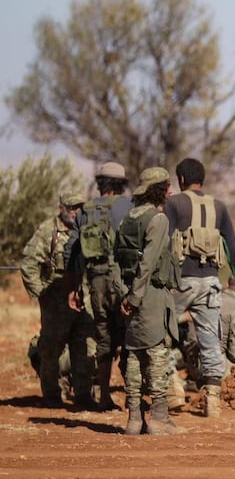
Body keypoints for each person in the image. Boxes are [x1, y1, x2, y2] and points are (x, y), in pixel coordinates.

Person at [165, 157, 235, 418]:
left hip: (180, 281)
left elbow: (165, 244)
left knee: (160, 332)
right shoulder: (220, 207)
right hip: (211, 282)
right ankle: (213, 401)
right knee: (210, 339)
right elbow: (233, 249)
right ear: (202, 179)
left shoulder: (173, 203)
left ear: (180, 180)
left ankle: (172, 389)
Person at [115, 167, 181, 435]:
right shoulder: (158, 220)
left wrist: (125, 295)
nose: (171, 191)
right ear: (158, 190)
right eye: (167, 187)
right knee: (156, 353)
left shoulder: (128, 219)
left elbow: (118, 261)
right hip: (150, 295)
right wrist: (136, 296)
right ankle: (159, 419)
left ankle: (134, 419)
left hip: (129, 294)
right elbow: (149, 261)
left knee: (132, 354)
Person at [20, 192, 96, 410]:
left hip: (83, 300)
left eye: (79, 208)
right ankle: (52, 396)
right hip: (56, 301)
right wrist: (40, 293)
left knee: (84, 348)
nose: (75, 212)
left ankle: (83, 396)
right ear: (60, 207)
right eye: (71, 207)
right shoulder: (48, 231)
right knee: (51, 350)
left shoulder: (87, 229)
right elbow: (29, 264)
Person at [75, 161, 133, 411]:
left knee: (103, 338)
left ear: (100, 184)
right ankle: (133, 398)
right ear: (121, 183)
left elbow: (75, 252)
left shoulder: (85, 210)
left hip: (95, 280)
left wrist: (73, 288)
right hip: (122, 279)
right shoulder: (129, 207)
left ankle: (104, 396)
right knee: (130, 336)